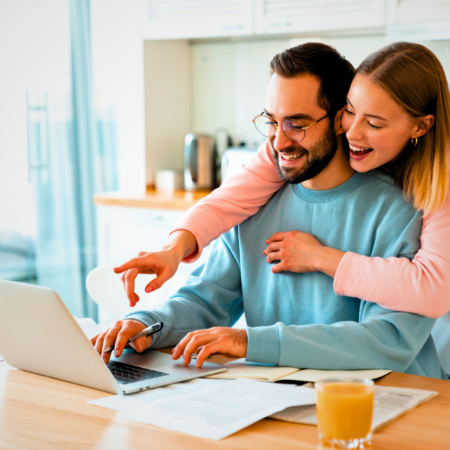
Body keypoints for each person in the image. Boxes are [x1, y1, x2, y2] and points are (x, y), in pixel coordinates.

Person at [92, 43, 445, 380]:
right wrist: (147, 324)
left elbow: (385, 341)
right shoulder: (255, 198)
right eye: (272, 121)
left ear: (340, 120)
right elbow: (204, 300)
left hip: (396, 402)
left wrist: (250, 341)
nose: (279, 141)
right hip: (285, 397)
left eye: (298, 123)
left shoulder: (409, 207)